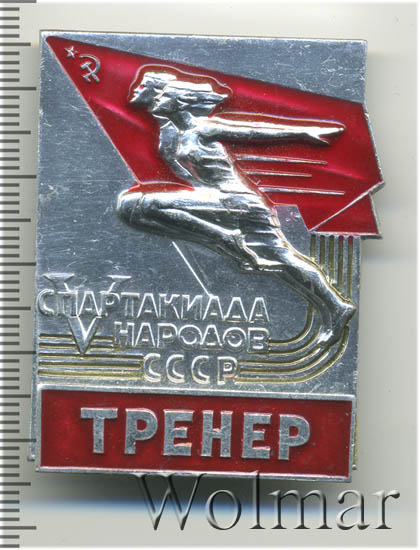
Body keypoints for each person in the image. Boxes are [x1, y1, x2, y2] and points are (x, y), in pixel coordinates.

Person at [117, 65, 355, 347]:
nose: (158, 100)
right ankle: (336, 305)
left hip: (235, 200)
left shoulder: (203, 127)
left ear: (179, 101)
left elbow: (252, 130)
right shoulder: (174, 132)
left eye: (163, 96)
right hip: (226, 202)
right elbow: (167, 138)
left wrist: (305, 132)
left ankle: (227, 239)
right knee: (283, 259)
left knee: (143, 204)